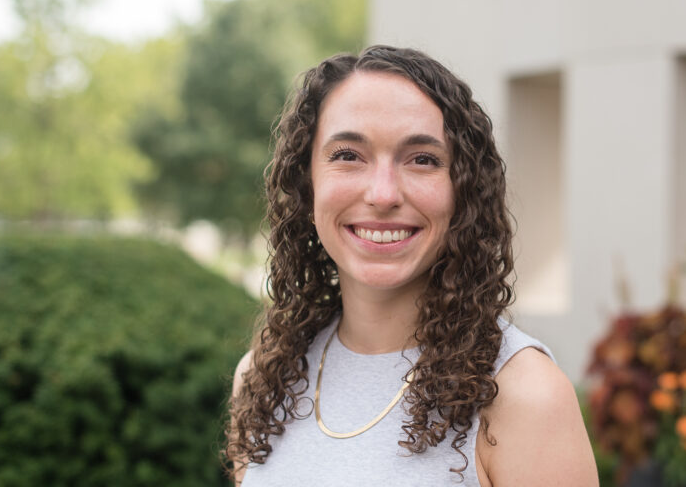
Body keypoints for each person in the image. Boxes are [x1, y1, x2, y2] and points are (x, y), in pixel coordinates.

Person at [226, 45, 598, 486]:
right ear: (306, 185)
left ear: (464, 194)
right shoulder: (262, 379)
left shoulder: (524, 393)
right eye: (348, 155)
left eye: (422, 159)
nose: (383, 194)